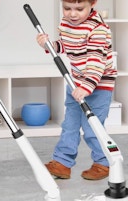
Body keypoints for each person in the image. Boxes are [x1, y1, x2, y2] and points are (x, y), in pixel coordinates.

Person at [36, 0, 117, 180]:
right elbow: (68, 46)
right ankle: (62, 163)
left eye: (79, 9)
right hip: (76, 82)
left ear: (92, 4)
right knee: (70, 124)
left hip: (99, 83)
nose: (72, 14)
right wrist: (49, 45)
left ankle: (103, 163)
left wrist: (87, 86)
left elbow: (97, 62)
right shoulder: (66, 24)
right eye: (67, 8)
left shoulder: (98, 29)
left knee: (92, 127)